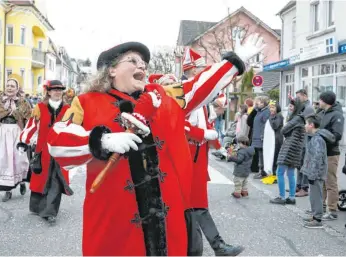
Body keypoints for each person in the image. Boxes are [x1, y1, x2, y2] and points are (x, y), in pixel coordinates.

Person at [46, 36, 263, 255]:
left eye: (143, 63)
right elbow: (57, 140)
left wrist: (232, 64)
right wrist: (102, 140)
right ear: (111, 70)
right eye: (132, 60)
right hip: (114, 219)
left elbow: (196, 88)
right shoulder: (86, 102)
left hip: (166, 219)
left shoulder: (160, 96)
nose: (141, 65)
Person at [182, 48, 244, 256]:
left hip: (198, 157)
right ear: (191, 70)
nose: (205, 71)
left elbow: (206, 125)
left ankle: (212, 247)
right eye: (200, 68)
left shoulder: (200, 100)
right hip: (187, 156)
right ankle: (207, 248)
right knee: (191, 206)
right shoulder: (184, 92)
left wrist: (219, 147)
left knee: (197, 205)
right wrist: (203, 135)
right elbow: (179, 126)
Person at [17, 80, 72, 225]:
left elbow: (73, 128)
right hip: (43, 150)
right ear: (48, 92)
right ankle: (36, 207)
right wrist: (24, 140)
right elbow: (32, 126)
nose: (57, 92)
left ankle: (50, 212)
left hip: (60, 151)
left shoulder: (68, 109)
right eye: (54, 90)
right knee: (40, 178)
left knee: (56, 180)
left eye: (60, 89)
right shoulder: (39, 107)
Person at [0, 74, 32, 202]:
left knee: (19, 160)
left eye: (12, 86)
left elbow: (29, 121)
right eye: (8, 85)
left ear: (17, 88)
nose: (10, 88)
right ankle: (8, 190)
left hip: (17, 132)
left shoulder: (24, 103)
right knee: (5, 161)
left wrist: (30, 136)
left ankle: (22, 182)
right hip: (2, 133)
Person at [270, 99, 306, 205]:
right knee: (291, 173)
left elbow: (283, 130)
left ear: (297, 108)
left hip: (289, 147)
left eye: (291, 106)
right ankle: (291, 197)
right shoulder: (301, 118)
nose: (289, 108)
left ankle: (281, 197)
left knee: (280, 172)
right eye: (289, 106)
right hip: (296, 148)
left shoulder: (296, 118)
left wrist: (287, 127)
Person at [301, 116, 335, 228]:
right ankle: (315, 215)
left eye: (306, 124)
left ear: (311, 125)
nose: (305, 126)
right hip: (313, 172)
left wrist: (313, 173)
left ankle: (318, 219)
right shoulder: (314, 137)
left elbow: (317, 158)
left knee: (317, 196)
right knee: (313, 195)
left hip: (316, 173)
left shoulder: (318, 139)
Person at [316, 91, 344, 221]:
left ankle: (332, 210)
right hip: (320, 151)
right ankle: (320, 208)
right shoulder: (321, 113)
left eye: (320, 100)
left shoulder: (337, 115)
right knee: (321, 181)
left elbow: (336, 135)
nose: (318, 102)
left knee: (330, 182)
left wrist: (320, 134)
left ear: (325, 101)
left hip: (331, 153)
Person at [251, 95, 270, 179]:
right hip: (256, 135)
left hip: (261, 136)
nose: (258, 103)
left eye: (260, 102)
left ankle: (262, 171)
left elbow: (266, 125)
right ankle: (260, 170)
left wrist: (263, 135)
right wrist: (255, 106)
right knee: (259, 154)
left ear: (264, 103)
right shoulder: (259, 111)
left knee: (262, 154)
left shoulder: (266, 112)